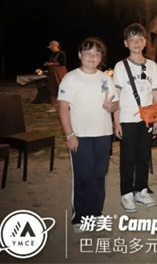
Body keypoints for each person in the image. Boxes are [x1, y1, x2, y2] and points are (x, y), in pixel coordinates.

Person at [57, 38, 118, 233]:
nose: (92, 57)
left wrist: (111, 106)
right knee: (83, 175)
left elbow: (116, 104)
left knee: (99, 175)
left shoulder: (105, 78)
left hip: (103, 134)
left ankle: (95, 214)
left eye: (97, 54)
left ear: (101, 58)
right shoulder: (70, 78)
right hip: (80, 136)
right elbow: (63, 108)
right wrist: (69, 134)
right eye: (88, 53)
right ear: (79, 55)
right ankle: (80, 217)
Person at [113, 23, 157, 212]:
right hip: (127, 119)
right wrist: (116, 121)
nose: (136, 43)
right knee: (128, 158)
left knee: (144, 155)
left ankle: (141, 190)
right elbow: (116, 96)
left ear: (145, 42)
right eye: (132, 39)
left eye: (140, 39)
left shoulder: (151, 65)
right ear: (126, 43)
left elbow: (156, 93)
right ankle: (126, 193)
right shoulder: (120, 66)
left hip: (148, 119)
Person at [44, 40, 68, 113]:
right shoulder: (52, 54)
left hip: (59, 73)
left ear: (56, 46)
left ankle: (65, 106)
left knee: (62, 89)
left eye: (52, 47)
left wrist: (52, 64)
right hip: (52, 74)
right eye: (50, 48)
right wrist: (48, 64)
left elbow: (63, 63)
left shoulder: (61, 53)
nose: (51, 49)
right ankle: (53, 107)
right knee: (52, 89)